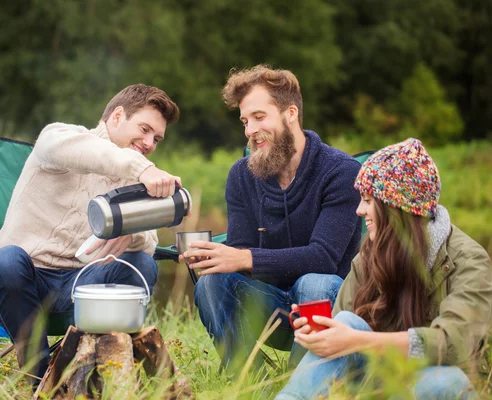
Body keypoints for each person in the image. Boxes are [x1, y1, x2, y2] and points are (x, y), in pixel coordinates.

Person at [0, 84, 181, 381]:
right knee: (7, 260)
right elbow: (89, 152)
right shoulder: (58, 137)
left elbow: (149, 241)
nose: (150, 143)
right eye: (145, 129)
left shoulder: (135, 177)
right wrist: (142, 168)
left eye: (157, 138)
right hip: (23, 279)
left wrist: (133, 233)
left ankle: (93, 368)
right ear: (117, 116)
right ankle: (37, 376)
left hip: (82, 285)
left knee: (141, 264)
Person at [277, 138, 492, 400]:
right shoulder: (371, 254)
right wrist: (321, 333)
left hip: (439, 381)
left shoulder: (468, 261)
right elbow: (343, 326)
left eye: (368, 200)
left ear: (397, 209)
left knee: (441, 383)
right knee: (345, 322)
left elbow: (454, 343)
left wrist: (355, 341)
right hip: (383, 381)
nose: (359, 210)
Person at [181, 65, 362, 371]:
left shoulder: (341, 172)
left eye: (259, 117)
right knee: (210, 284)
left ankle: (302, 381)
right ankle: (249, 382)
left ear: (290, 113)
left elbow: (324, 259)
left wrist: (244, 258)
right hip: (269, 307)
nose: (250, 130)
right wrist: (217, 260)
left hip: (330, 308)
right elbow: (238, 259)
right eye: (245, 121)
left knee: (314, 283)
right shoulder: (242, 175)